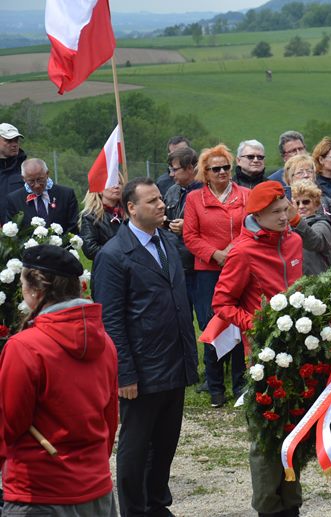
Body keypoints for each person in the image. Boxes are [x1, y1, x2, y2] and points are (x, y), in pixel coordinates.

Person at [92, 177, 198, 517]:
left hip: (174, 361)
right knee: (136, 446)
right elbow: (110, 321)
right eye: (152, 201)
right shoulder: (113, 255)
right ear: (131, 209)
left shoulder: (167, 241)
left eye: (159, 199)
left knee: (166, 443)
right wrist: (124, 373)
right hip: (140, 369)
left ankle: (156, 504)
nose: (161, 205)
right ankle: (135, 510)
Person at [0, 245, 119, 516]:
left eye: (22, 283)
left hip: (40, 492)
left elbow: (9, 424)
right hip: (96, 489)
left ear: (36, 290)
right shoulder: (105, 342)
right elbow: (109, 419)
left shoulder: (25, 347)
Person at [210, 181, 304, 517]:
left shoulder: (294, 241)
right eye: (276, 213)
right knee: (266, 436)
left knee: (294, 431)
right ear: (257, 214)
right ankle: (268, 507)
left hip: (298, 351)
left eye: (286, 209)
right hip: (263, 356)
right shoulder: (243, 250)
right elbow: (221, 302)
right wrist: (257, 323)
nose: (285, 217)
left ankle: (291, 502)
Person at [183, 144, 249, 408]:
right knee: (213, 325)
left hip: (241, 268)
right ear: (205, 173)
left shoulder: (245, 194)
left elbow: (253, 224)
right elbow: (190, 235)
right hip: (209, 271)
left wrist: (236, 250)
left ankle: (241, 383)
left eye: (226, 167)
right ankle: (215, 386)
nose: (222, 172)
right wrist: (215, 254)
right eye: (215, 168)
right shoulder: (194, 199)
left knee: (240, 324)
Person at [164, 146, 202, 314]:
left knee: (207, 319)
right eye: (170, 170)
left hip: (201, 267)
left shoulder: (207, 190)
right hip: (178, 266)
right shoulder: (172, 191)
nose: (171, 174)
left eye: (174, 169)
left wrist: (186, 227)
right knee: (179, 319)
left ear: (190, 168)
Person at [4, 158, 78, 234]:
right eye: (31, 181)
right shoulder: (14, 200)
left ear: (47, 174)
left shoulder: (66, 195)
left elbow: (72, 228)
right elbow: (13, 233)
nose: (37, 185)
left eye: (40, 179)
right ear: (24, 178)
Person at [290, 180, 331, 275]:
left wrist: (296, 220)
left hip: (321, 284)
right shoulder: (289, 228)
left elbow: (315, 242)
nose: (301, 206)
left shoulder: (323, 224)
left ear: (316, 204)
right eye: (297, 203)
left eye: (306, 202)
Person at [79, 182, 124, 261]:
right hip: (108, 268)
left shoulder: (132, 212)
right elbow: (90, 250)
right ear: (99, 189)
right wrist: (122, 252)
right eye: (111, 182)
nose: (116, 186)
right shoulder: (90, 216)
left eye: (119, 183)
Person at [0, 123, 26, 220]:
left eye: (16, 140)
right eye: (9, 141)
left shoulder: (26, 169)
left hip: (21, 230)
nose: (14, 144)